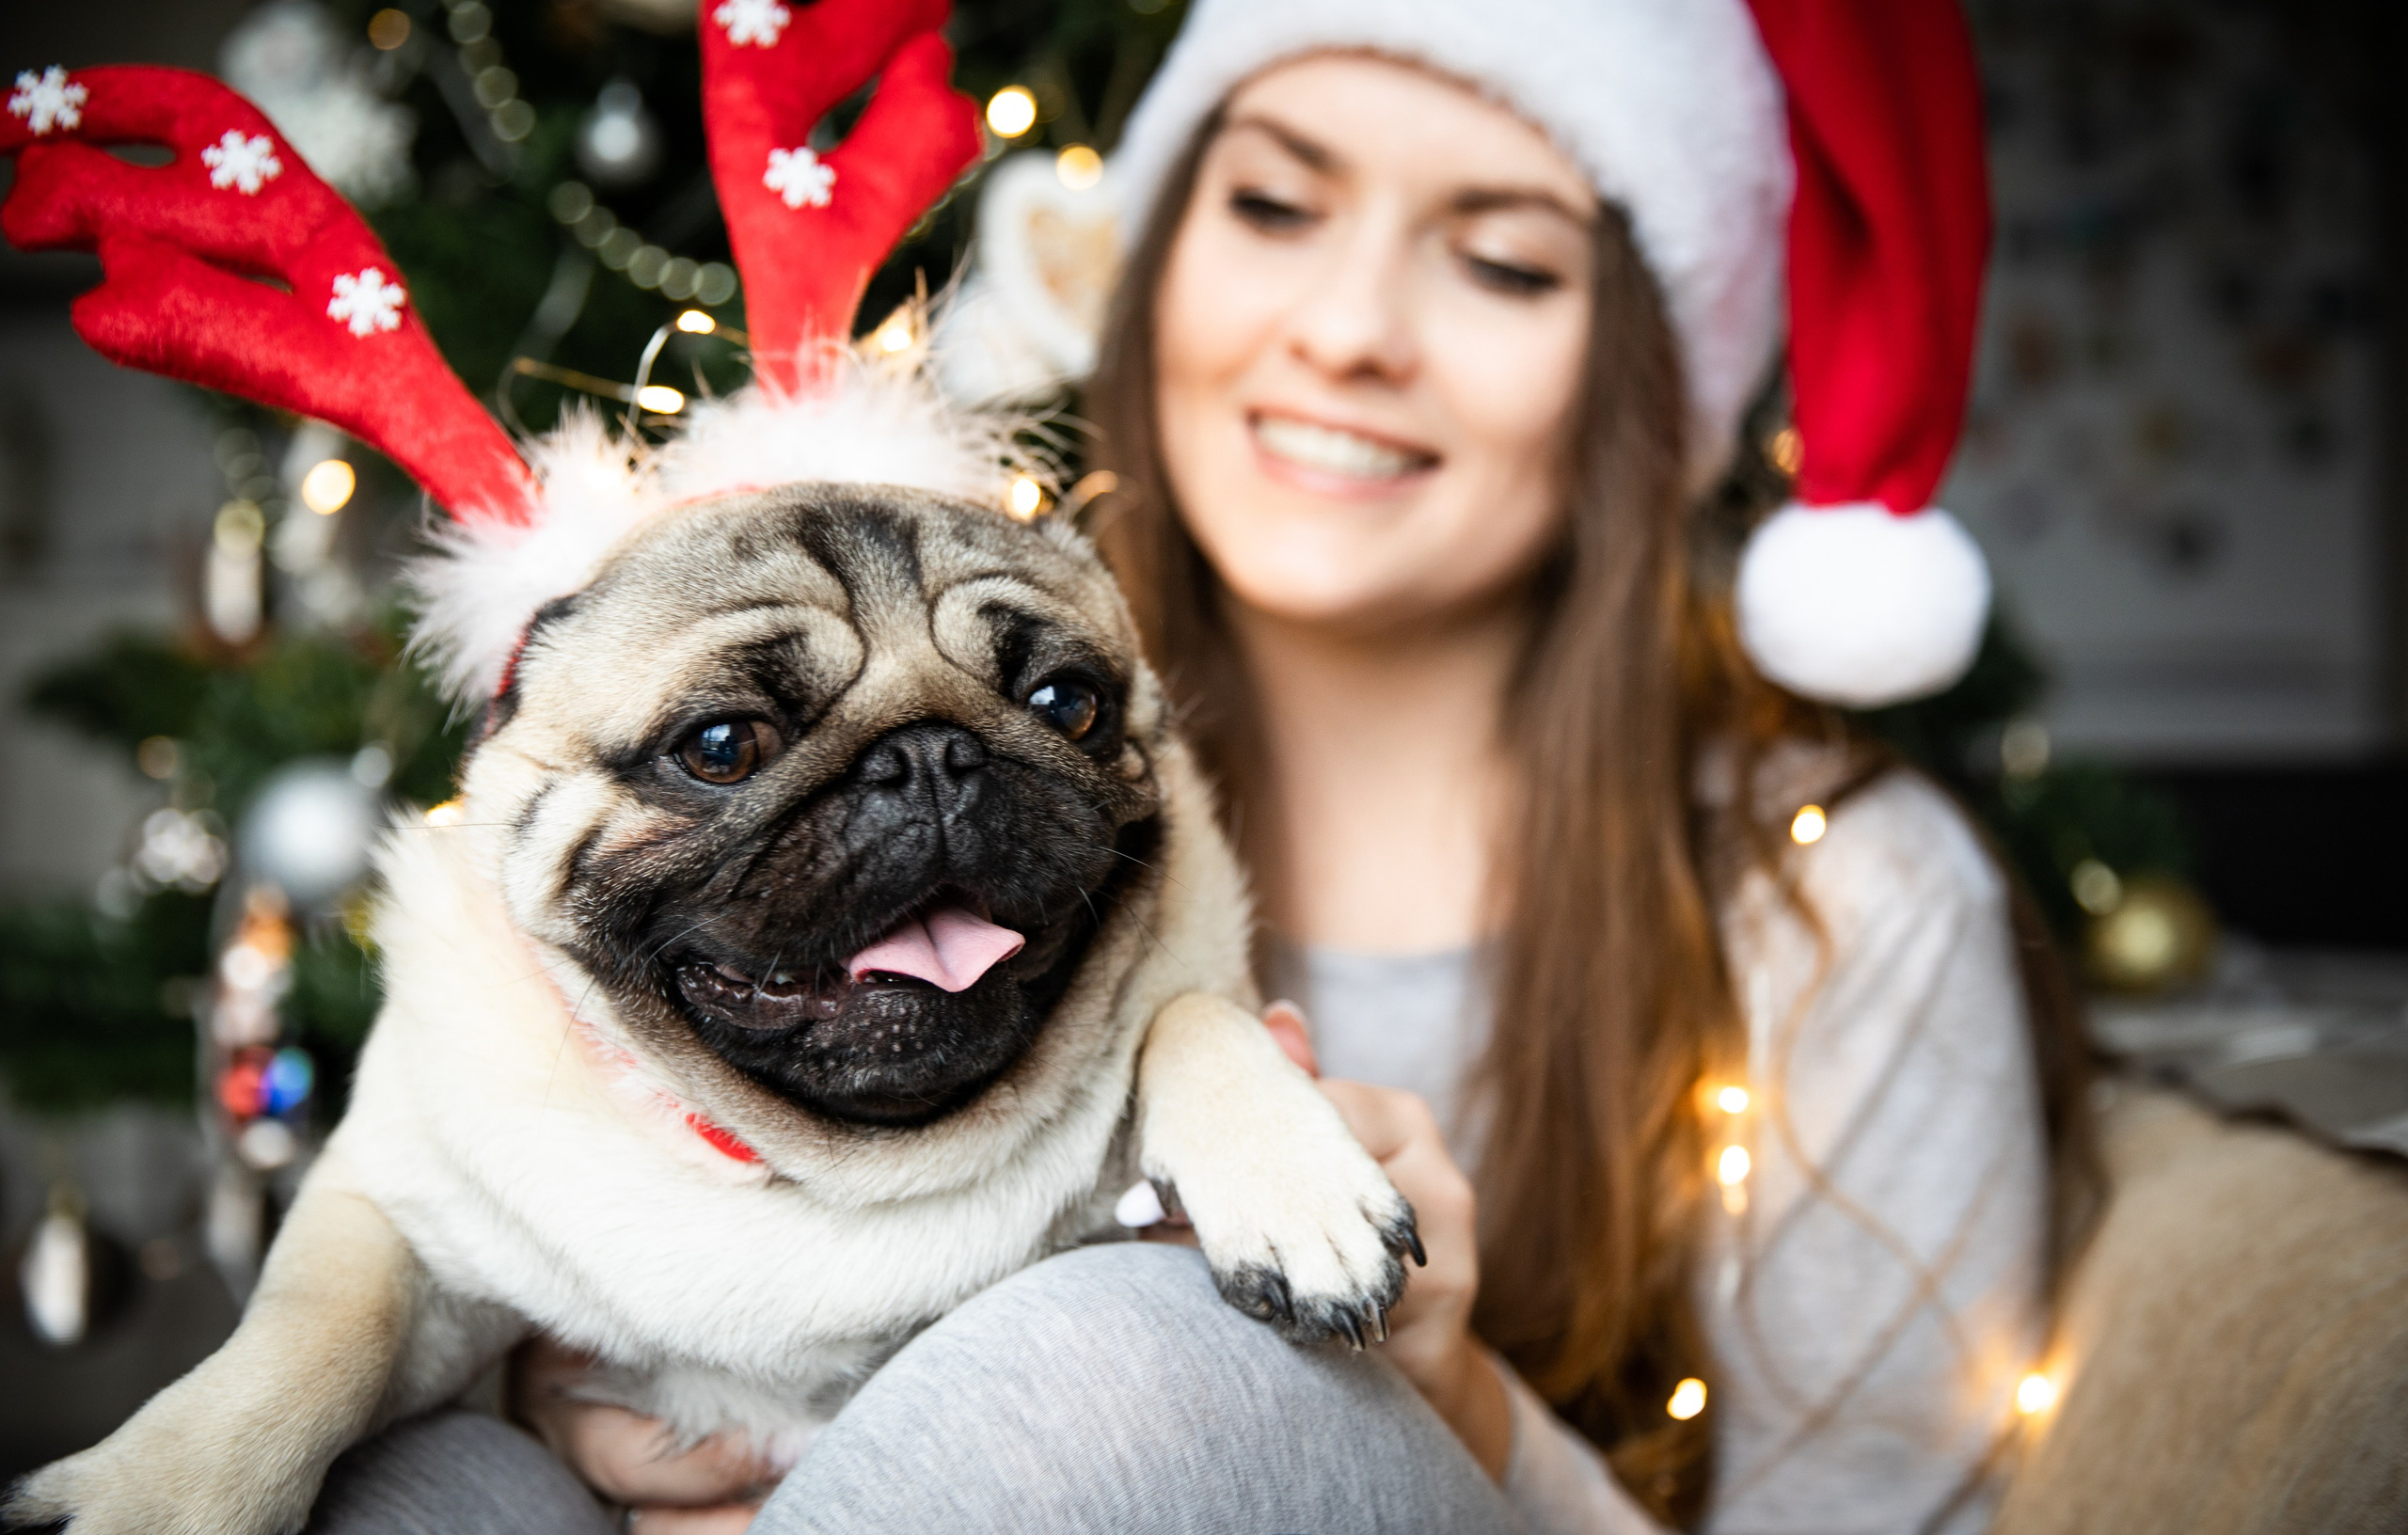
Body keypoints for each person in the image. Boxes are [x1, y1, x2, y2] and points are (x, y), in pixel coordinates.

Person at [309, 2, 2089, 1531]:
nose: (1349, 328)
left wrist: (1458, 1394)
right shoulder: (909, 670)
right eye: (1273, 204)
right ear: (1151, 256)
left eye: (1502, 261)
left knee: (1130, 1352)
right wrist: (606, 1376)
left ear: (1641, 372)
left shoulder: (1840, 895)